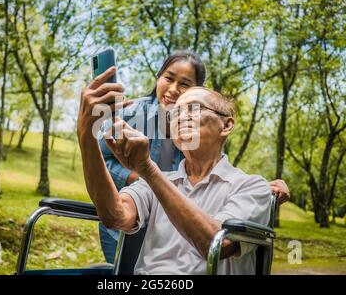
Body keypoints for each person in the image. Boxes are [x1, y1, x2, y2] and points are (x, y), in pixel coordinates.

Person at [97, 51, 290, 263]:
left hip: (180, 223)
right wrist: (137, 177)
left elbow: (209, 171)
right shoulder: (131, 114)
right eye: (168, 78)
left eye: (184, 84)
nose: (173, 89)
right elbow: (104, 162)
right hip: (138, 208)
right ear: (158, 78)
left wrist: (262, 188)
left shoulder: (200, 131)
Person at [77, 76, 271, 274]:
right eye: (175, 112)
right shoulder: (156, 181)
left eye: (194, 108)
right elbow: (115, 216)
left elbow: (218, 245)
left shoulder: (253, 187)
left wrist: (148, 170)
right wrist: (86, 136)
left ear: (227, 125)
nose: (181, 117)